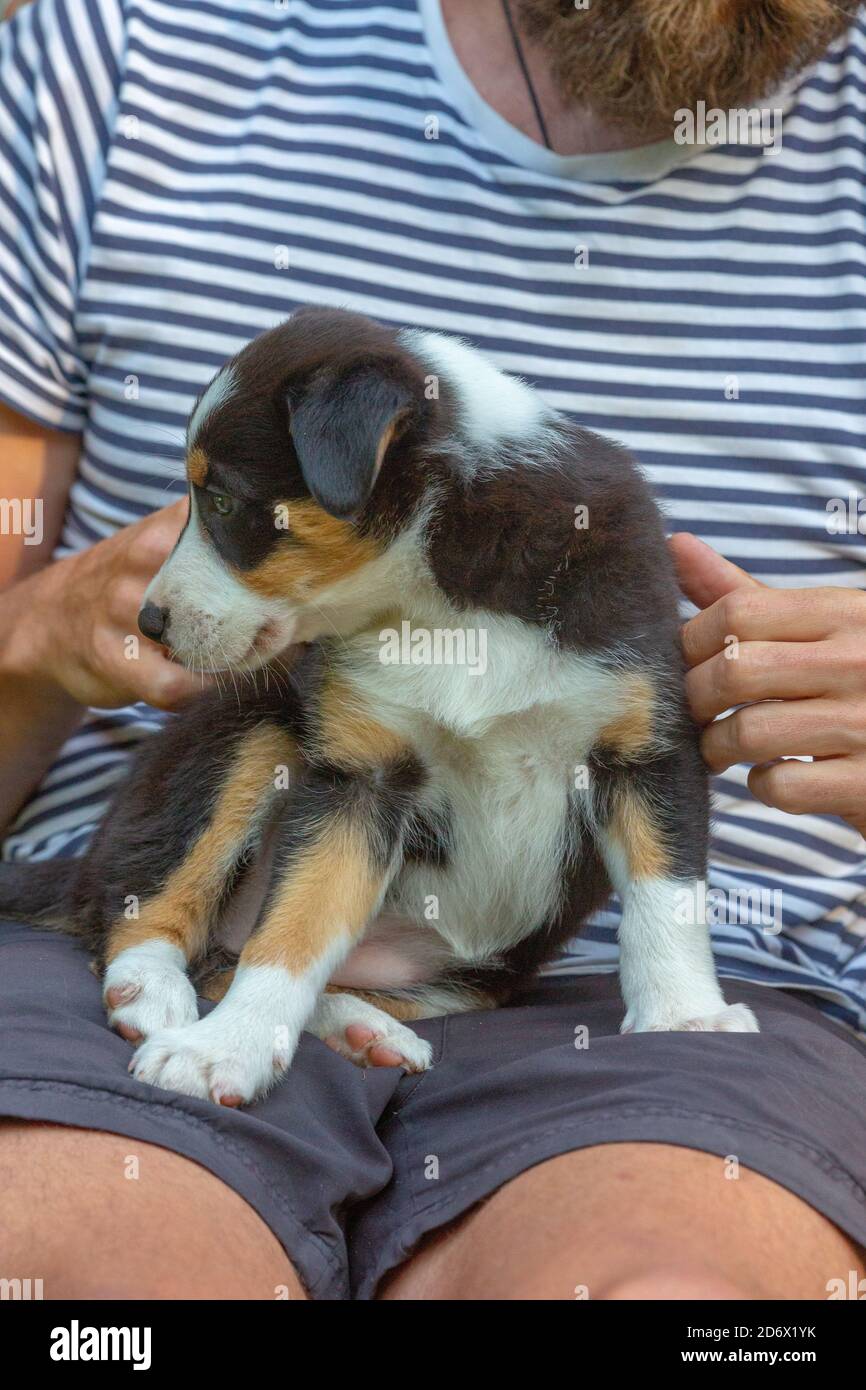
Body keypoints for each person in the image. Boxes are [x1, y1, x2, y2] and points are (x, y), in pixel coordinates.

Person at [0, 0, 864, 1300]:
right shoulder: (117, 50)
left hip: (692, 1013)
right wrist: (31, 644)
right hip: (133, 937)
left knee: (683, 1305)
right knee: (79, 1298)